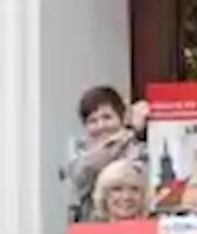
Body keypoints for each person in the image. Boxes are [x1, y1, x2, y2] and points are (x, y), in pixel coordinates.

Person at [62, 85, 150, 224]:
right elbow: (84, 173)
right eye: (93, 121)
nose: (101, 125)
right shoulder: (79, 159)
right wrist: (129, 131)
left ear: (121, 118)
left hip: (137, 233)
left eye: (107, 117)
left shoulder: (142, 152)